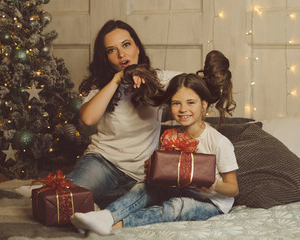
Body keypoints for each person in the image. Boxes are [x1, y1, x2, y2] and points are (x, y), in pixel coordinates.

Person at [70, 52, 239, 235]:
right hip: (181, 189)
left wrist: (215, 185)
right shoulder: (171, 136)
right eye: (176, 103)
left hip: (212, 202)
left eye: (191, 103)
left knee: (177, 206)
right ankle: (106, 216)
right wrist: (156, 170)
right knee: (146, 186)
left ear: (204, 105)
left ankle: (114, 225)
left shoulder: (219, 142)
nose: (183, 110)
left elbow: (233, 189)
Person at [66, 20, 178, 202]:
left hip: (143, 172)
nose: (121, 54)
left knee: (136, 205)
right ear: (105, 58)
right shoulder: (100, 87)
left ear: (138, 48)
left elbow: (196, 86)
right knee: (64, 200)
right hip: (103, 163)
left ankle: (106, 199)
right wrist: (118, 79)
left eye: (126, 45)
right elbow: (87, 118)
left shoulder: (161, 79)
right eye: (111, 50)